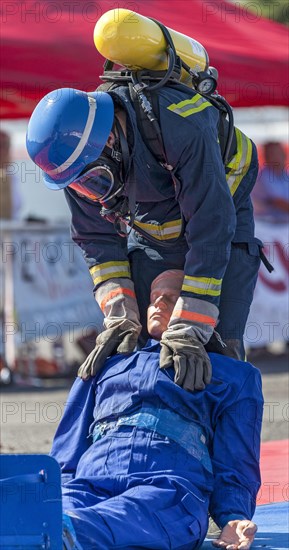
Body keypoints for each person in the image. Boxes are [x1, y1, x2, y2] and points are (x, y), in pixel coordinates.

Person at [26, 60, 263, 390]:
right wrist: (120, 314)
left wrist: (191, 325)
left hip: (223, 212)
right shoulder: (76, 165)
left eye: (93, 180)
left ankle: (223, 431)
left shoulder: (181, 125)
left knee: (218, 354)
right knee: (135, 349)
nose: (95, 193)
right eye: (82, 186)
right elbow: (97, 238)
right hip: (152, 224)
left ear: (110, 140)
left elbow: (212, 226)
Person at [51, 270, 263, 550]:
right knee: (48, 514)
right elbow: (68, 450)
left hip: (169, 488)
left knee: (124, 516)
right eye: (153, 298)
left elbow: (236, 460)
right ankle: (57, 528)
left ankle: (64, 533)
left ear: (204, 311)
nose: (159, 304)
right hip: (89, 481)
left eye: (172, 298)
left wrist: (234, 515)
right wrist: (54, 495)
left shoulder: (234, 375)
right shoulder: (105, 364)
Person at [252, 141, 289, 223]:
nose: (279, 157)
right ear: (266, 157)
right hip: (265, 226)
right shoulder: (262, 176)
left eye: (280, 153)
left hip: (282, 224)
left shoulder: (286, 175)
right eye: (274, 154)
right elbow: (279, 202)